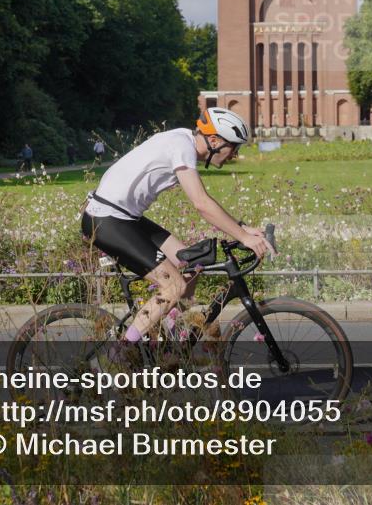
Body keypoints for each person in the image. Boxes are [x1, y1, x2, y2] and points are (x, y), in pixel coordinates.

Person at [81, 108, 275, 348]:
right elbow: (201, 203)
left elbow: (203, 203)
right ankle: (119, 354)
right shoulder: (182, 147)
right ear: (215, 141)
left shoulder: (183, 139)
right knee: (174, 287)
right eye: (234, 147)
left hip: (124, 217)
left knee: (192, 265)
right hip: (107, 219)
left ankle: (166, 341)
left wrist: (242, 227)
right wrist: (243, 236)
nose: (235, 154)